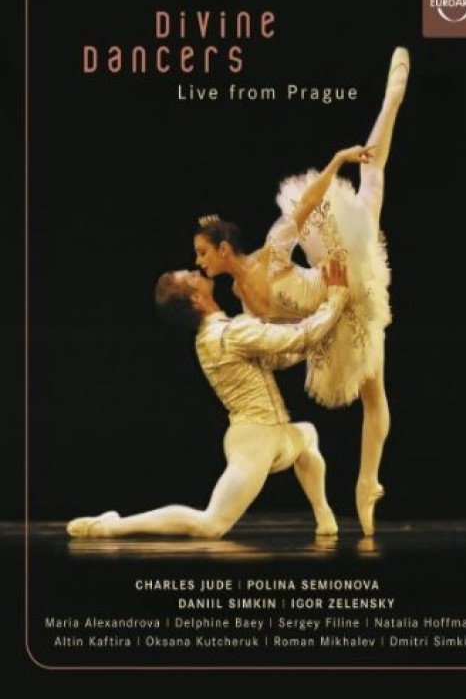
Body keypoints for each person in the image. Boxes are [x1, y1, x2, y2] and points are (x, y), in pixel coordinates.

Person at [193, 47, 410, 535]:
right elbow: (277, 344)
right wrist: (310, 343)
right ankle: (367, 485)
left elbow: (305, 207)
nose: (199, 262)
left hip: (340, 279)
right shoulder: (242, 302)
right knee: (371, 388)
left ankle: (392, 99)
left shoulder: (269, 255)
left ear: (224, 249)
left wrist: (335, 162)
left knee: (370, 183)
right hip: (328, 317)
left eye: (203, 253)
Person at [66, 261, 348, 540]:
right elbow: (300, 337)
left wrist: (324, 334)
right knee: (211, 525)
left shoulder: (221, 332)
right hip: (255, 439)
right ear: (196, 299)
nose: (196, 272)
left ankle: (324, 516)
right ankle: (112, 526)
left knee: (308, 435)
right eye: (190, 277)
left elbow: (278, 356)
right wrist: (335, 298)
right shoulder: (226, 334)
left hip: (274, 433)